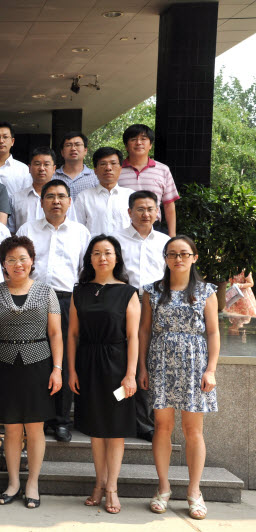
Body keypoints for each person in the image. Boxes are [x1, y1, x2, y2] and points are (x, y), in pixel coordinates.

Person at [138, 236, 219, 520]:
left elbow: (213, 332)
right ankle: (163, 487)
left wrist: (211, 369)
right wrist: (142, 368)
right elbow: (144, 331)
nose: (178, 259)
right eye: (172, 254)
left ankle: (194, 491)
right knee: (162, 426)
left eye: (184, 254)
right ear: (165, 258)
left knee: (193, 429)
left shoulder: (207, 291)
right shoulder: (152, 291)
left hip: (195, 363)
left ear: (194, 257)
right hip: (160, 361)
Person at [67, 235, 139, 514]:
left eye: (107, 252)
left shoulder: (128, 292)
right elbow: (73, 334)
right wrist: (72, 369)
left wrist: (131, 374)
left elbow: (133, 337)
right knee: (95, 430)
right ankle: (98, 484)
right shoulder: (80, 291)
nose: (102, 258)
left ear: (116, 257)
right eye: (96, 253)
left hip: (117, 366)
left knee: (115, 430)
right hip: (87, 364)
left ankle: (112, 488)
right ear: (90, 258)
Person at [0, 235, 63, 510]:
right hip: (3, 364)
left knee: (35, 427)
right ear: (3, 264)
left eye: (23, 258)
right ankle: (13, 483)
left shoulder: (46, 292)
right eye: (11, 260)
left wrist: (57, 369)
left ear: (32, 261)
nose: (18, 264)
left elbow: (55, 333)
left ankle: (32, 483)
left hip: (38, 363)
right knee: (11, 427)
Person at [16, 179, 90, 442]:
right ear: (41, 201)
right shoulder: (27, 229)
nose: (56, 201)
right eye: (50, 196)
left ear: (69, 202)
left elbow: (85, 270)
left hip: (67, 299)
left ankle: (60, 420)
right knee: (34, 358)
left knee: (64, 359)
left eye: (61, 196)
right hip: (33, 298)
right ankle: (37, 416)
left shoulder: (81, 232)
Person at [113, 190, 171, 441]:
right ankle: (118, 415)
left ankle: (144, 422)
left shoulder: (165, 242)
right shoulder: (116, 240)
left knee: (147, 361)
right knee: (121, 358)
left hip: (155, 305)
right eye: (140, 209)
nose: (145, 214)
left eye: (150, 209)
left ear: (157, 212)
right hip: (123, 303)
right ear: (129, 212)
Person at [118, 124, 179, 236]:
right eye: (133, 139)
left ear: (150, 145)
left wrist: (172, 236)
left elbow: (169, 205)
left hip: (154, 227)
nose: (139, 143)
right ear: (126, 146)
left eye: (143, 139)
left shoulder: (163, 170)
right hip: (123, 226)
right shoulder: (117, 170)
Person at [73, 147, 134, 237]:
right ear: (95, 170)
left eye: (113, 163)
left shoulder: (130, 196)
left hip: (124, 245)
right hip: (93, 245)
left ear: (120, 169)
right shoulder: (84, 197)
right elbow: (77, 229)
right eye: (103, 164)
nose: (108, 168)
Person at [9, 147, 61, 234]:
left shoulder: (63, 199)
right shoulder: (16, 198)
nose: (42, 168)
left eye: (46, 164)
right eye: (37, 164)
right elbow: (11, 231)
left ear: (54, 169)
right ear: (29, 168)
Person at [0, 121, 31, 196]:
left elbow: (26, 197)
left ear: (12, 141)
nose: (1, 141)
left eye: (5, 137)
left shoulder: (23, 169)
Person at [54, 132, 98, 198]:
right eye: (68, 145)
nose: (73, 149)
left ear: (85, 150)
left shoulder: (96, 177)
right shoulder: (52, 177)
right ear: (62, 152)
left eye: (77, 145)